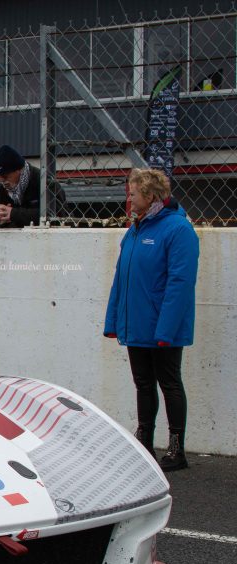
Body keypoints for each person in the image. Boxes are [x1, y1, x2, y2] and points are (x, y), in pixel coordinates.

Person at [104, 167, 199, 472]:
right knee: (143, 383)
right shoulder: (135, 229)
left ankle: (176, 447)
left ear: (149, 194)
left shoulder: (178, 229)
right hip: (138, 324)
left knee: (169, 382)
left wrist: (166, 329)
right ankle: (144, 440)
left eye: (133, 193)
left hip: (162, 327)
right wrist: (114, 320)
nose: (129, 198)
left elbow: (180, 283)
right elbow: (122, 279)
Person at [0, 145, 66, 227]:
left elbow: (55, 214)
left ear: (18, 170)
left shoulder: (43, 181)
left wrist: (13, 214)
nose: (2, 180)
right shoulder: (7, 185)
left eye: (5, 176)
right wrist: (2, 215)